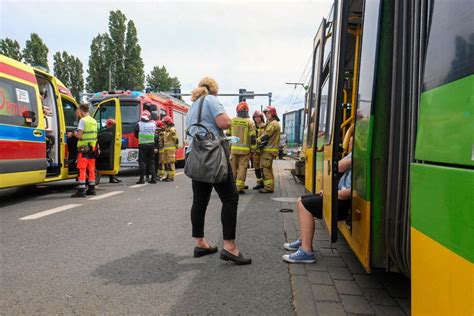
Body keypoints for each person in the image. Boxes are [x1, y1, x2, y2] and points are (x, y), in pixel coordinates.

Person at [186, 77, 251, 265]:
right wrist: (229, 119)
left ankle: (200, 243)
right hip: (212, 157)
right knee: (230, 198)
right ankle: (230, 247)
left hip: (196, 156)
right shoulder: (211, 100)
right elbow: (224, 123)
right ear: (214, 90)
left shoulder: (193, 106)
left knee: (200, 200)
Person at [283, 141, 353, 264]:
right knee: (300, 200)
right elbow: (339, 167)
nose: (351, 140)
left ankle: (306, 251)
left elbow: (354, 189)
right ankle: (304, 240)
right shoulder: (356, 155)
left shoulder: (362, 157)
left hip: (344, 202)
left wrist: (334, 194)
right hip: (339, 195)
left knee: (305, 205)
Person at [71, 103, 98, 198]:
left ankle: (81, 190)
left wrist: (73, 134)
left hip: (84, 148)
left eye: (77, 111)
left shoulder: (83, 120)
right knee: (91, 168)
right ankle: (91, 188)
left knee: (82, 168)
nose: (77, 113)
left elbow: (80, 135)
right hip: (92, 148)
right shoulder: (94, 121)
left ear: (80, 110)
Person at [230, 102, 256, 194]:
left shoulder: (232, 121)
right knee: (242, 168)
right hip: (245, 151)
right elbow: (253, 138)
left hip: (233, 149)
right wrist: (253, 150)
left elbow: (228, 135)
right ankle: (239, 187)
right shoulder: (250, 122)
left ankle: (232, 187)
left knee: (233, 168)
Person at [256, 105, 281, 193]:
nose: (266, 114)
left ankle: (268, 188)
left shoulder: (273, 124)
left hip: (268, 151)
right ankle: (269, 186)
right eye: (265, 113)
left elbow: (266, 135)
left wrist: (257, 141)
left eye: (268, 113)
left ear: (273, 113)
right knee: (268, 169)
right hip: (269, 151)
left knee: (265, 169)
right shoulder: (273, 123)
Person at [134, 110, 158, 184]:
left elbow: (136, 134)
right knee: (151, 161)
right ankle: (153, 178)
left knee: (142, 162)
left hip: (143, 144)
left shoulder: (139, 124)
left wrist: (141, 138)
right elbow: (155, 135)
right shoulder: (153, 125)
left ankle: (142, 179)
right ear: (149, 117)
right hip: (151, 145)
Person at [252, 110, 266, 190]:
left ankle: (264, 183)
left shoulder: (264, 126)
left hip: (262, 150)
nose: (257, 119)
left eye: (258, 117)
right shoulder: (252, 127)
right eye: (255, 117)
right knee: (256, 167)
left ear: (261, 118)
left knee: (262, 167)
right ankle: (259, 183)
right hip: (255, 151)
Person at [104, 118, 122, 184]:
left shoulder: (107, 130)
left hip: (111, 150)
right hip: (110, 151)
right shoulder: (110, 131)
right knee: (112, 163)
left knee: (114, 163)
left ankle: (113, 177)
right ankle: (112, 178)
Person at [161, 116, 178, 182]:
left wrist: (175, 146)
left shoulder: (172, 129)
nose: (164, 124)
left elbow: (175, 139)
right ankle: (167, 176)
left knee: (171, 163)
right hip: (166, 148)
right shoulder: (167, 129)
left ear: (168, 122)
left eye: (164, 123)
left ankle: (171, 177)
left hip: (171, 149)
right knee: (166, 163)